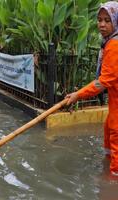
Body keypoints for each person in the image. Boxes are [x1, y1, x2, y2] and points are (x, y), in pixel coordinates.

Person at [65, 1, 118, 177]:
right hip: (114, 108)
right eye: (99, 19)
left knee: (115, 167)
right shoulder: (109, 42)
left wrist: (77, 95)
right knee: (109, 149)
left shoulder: (115, 45)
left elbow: (102, 82)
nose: (102, 24)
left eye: (107, 20)